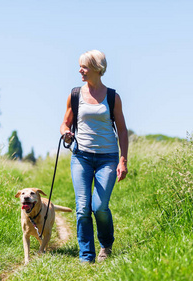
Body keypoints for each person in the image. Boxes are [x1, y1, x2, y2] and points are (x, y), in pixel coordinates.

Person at [60, 50, 128, 263]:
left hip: (107, 158)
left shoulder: (112, 97)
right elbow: (65, 123)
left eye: (84, 66)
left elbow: (123, 130)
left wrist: (123, 160)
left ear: (98, 69)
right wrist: (66, 133)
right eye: (80, 66)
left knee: (99, 207)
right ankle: (86, 256)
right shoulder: (75, 95)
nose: (80, 70)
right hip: (81, 157)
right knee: (82, 208)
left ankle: (106, 245)